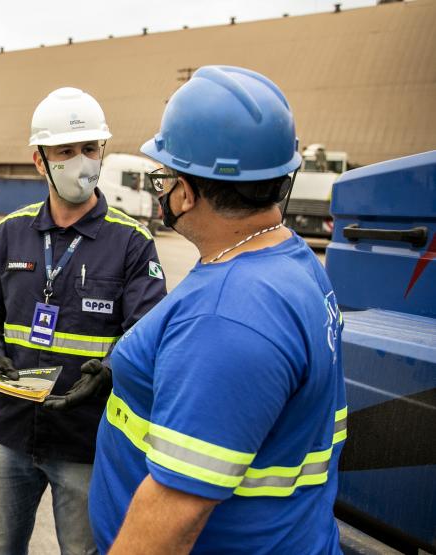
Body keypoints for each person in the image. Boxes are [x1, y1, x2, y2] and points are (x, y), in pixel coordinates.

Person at [89, 66, 348, 554]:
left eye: (165, 177)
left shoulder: (226, 316)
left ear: (186, 192)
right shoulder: (291, 261)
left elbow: (175, 510)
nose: (161, 189)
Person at [0, 87, 167, 555]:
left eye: (91, 149)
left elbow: (148, 328)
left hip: (87, 442)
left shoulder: (131, 242)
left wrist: (111, 370)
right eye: (66, 151)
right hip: (9, 432)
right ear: (40, 161)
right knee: (2, 547)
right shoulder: (9, 233)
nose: (83, 162)